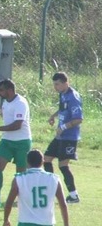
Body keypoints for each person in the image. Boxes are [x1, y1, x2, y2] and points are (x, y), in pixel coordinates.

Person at [0, 79, 32, 208]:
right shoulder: (6, 101)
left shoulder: (20, 103)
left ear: (9, 90)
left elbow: (18, 125)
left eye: (1, 90)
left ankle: (22, 200)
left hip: (22, 142)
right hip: (7, 141)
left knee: (21, 173)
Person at [44, 72, 83, 203]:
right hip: (60, 136)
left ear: (66, 83)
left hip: (69, 137)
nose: (55, 87)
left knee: (63, 165)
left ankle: (74, 195)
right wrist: (53, 116)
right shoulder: (63, 94)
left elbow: (78, 119)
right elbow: (62, 108)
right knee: (47, 159)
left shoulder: (73, 97)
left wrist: (64, 127)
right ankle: (50, 190)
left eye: (57, 84)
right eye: (54, 84)